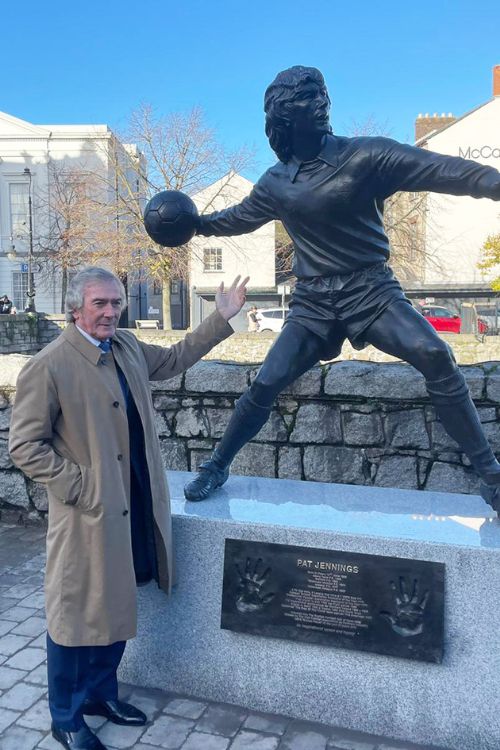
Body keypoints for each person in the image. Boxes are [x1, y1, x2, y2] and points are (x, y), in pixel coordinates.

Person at [184, 65, 500, 511]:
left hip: (371, 291)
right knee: (267, 380)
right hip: (313, 303)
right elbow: (238, 217)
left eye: (321, 98)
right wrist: (195, 225)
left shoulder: (366, 157)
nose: (322, 106)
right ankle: (216, 466)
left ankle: (491, 475)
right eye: (309, 102)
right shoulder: (276, 182)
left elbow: (446, 170)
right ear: (286, 118)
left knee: (435, 355)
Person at [9, 267, 248, 750]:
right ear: (76, 308)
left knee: (117, 600)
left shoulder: (128, 347)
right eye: (100, 303)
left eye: (116, 302)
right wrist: (82, 485)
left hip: (135, 502)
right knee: (75, 613)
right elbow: (25, 447)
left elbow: (177, 357)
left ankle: (100, 694)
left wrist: (220, 319)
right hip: (89, 512)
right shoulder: (49, 365)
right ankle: (67, 718)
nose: (111, 312)